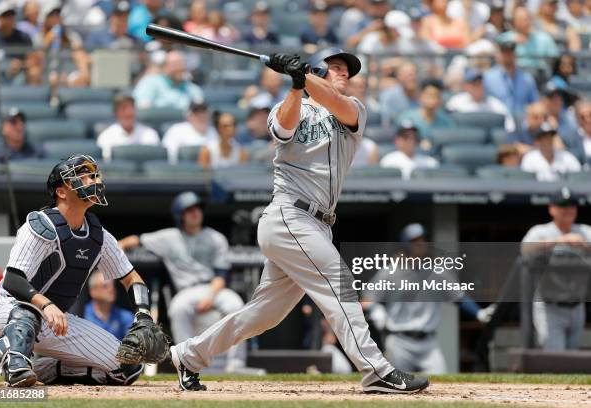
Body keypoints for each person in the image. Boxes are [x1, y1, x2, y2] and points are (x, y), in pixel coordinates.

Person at [169, 48, 430, 394]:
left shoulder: (354, 110)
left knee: (264, 314)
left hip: (317, 224)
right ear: (318, 74)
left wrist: (302, 76)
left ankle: (189, 354)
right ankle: (376, 369)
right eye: (334, 68)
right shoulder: (293, 104)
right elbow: (282, 129)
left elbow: (339, 105)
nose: (342, 74)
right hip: (289, 215)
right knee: (338, 281)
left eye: (345, 71)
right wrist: (295, 85)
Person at [0, 154, 165, 386]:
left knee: (127, 367)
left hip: (56, 320)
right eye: (82, 177)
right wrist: (46, 305)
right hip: (10, 310)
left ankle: (42, 370)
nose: (91, 180)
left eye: (92, 175)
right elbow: (12, 280)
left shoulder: (99, 235)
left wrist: (143, 314)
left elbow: (132, 279)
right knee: (28, 313)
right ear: (61, 191)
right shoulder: (40, 225)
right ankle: (16, 363)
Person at [118, 192, 250, 373]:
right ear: (180, 215)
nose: (195, 213)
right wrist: (119, 246)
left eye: (197, 208)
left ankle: (236, 364)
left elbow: (221, 275)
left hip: (214, 287)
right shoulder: (168, 237)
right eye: (189, 210)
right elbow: (137, 239)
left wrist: (211, 296)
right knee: (177, 309)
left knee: (236, 305)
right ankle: (188, 363)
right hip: (186, 290)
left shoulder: (216, 237)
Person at [363, 223, 495, 374]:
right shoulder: (390, 271)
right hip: (399, 341)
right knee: (397, 389)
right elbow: (366, 299)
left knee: (441, 383)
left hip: (429, 343)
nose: (421, 244)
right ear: (405, 244)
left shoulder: (437, 271)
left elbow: (458, 296)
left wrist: (478, 313)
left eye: (423, 239)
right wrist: (376, 309)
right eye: (415, 240)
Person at [521, 187, 591, 351]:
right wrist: (559, 240)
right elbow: (525, 250)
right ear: (552, 209)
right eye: (563, 206)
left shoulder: (585, 231)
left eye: (572, 206)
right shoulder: (541, 231)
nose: (568, 210)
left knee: (572, 358)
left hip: (577, 304)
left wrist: (585, 245)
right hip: (549, 305)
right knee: (555, 356)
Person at [483, 39, 539, 120]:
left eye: (511, 52)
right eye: (504, 52)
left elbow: (535, 104)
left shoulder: (527, 79)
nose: (508, 55)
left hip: (522, 127)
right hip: (497, 126)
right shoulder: (487, 78)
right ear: (498, 55)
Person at [446, 68, 515, 133]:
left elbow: (510, 126)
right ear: (465, 86)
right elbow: (447, 124)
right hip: (463, 141)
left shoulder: (494, 104)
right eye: (473, 83)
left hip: (489, 143)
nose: (477, 86)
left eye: (480, 82)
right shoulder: (455, 102)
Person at [133, 50, 204, 111]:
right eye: (175, 64)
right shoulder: (150, 83)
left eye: (182, 63)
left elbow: (200, 111)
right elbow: (142, 108)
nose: (180, 67)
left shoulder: (192, 89)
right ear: (164, 67)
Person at [96, 93, 160, 162]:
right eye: (124, 108)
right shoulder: (106, 137)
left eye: (131, 108)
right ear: (116, 113)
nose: (129, 113)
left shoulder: (150, 134)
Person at [397, 78, 455, 146]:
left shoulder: (446, 121)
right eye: (430, 95)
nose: (433, 99)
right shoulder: (407, 117)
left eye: (437, 96)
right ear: (420, 96)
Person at [84, 271, 134, 341]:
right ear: (93, 291)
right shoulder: (82, 314)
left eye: (112, 285)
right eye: (105, 286)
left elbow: (132, 346)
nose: (111, 289)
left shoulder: (126, 317)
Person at [379, 62, 419, 128]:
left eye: (414, 74)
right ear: (399, 77)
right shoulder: (388, 96)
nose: (412, 77)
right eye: (408, 75)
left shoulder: (423, 96)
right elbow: (385, 123)